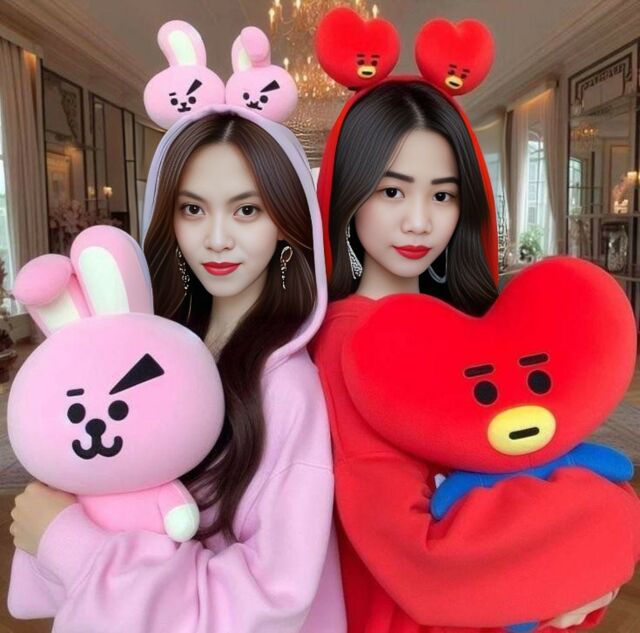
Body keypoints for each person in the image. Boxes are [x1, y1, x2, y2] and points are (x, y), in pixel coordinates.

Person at [309, 8, 640, 633]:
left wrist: (569, 572)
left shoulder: (472, 323)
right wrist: (602, 528)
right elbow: (422, 556)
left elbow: (542, 456)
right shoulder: (346, 342)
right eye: (391, 191)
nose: (418, 221)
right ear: (348, 194)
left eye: (442, 194)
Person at [9, 22, 346, 633]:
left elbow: (273, 597)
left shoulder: (287, 387)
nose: (216, 238)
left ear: (285, 224)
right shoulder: (150, 346)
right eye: (193, 209)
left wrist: (67, 543)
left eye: (247, 210)